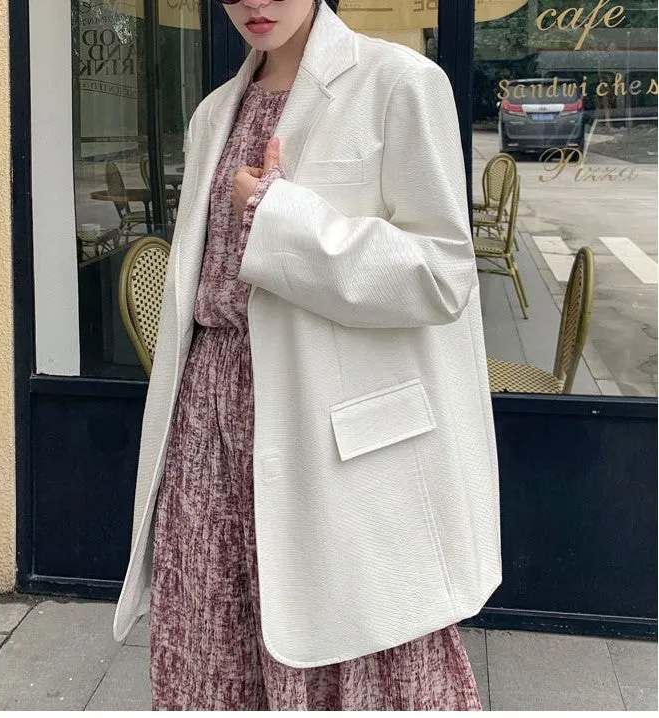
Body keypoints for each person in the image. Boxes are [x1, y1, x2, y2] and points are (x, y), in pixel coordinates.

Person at [112, 0, 502, 710]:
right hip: (208, 427)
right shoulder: (212, 115)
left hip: (333, 435)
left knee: (353, 652)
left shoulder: (400, 84)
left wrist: (281, 219)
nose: (254, 2)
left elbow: (444, 275)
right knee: (211, 644)